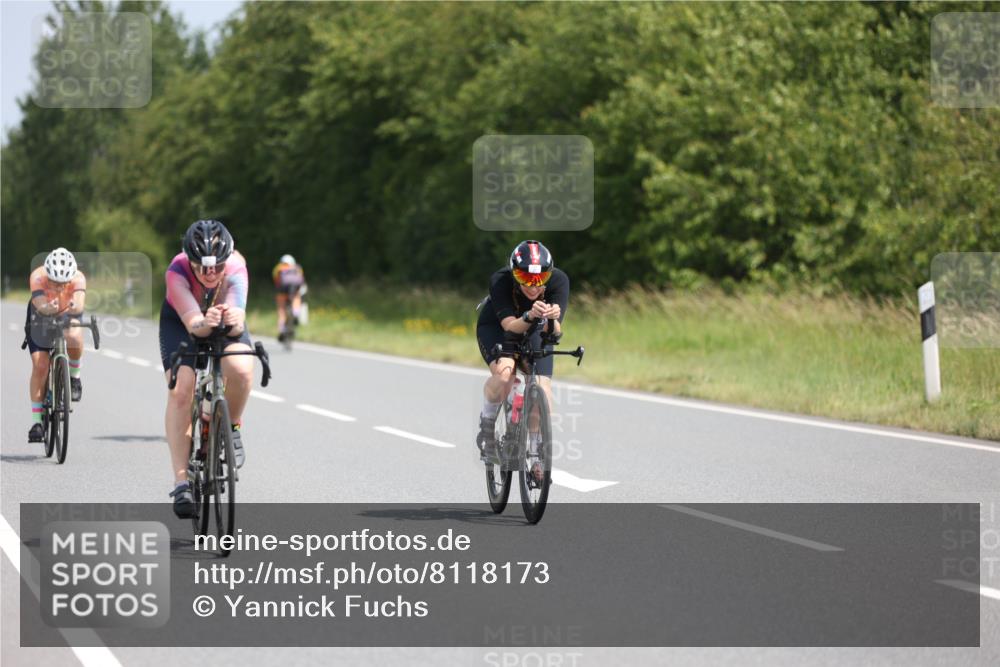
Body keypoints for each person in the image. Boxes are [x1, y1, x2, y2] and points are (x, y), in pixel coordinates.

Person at [159, 220, 254, 518]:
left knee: (240, 369)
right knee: (181, 390)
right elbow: (193, 325)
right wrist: (205, 321)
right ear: (190, 260)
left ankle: (232, 426)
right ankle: (181, 481)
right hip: (183, 323)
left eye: (217, 266)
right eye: (202, 267)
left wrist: (228, 317)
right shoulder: (176, 272)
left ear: (228, 259)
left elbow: (238, 318)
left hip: (223, 320)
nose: (210, 274)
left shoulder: (237, 266)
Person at [475, 240, 569, 475]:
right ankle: (487, 426)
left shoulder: (559, 281)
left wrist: (552, 319)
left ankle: (537, 454)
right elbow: (509, 326)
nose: (533, 286)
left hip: (535, 327)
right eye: (525, 277)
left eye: (539, 279)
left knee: (542, 390)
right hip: (498, 327)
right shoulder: (500, 280)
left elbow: (555, 333)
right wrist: (528, 314)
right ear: (513, 272)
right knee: (506, 374)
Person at [25, 248, 87, 443]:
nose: (59, 287)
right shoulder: (37, 276)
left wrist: (69, 306)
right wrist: (47, 307)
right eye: (55, 282)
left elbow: (79, 305)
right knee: (40, 365)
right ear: (47, 275)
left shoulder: (78, 278)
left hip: (67, 311)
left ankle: (74, 378)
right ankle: (36, 422)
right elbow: (39, 302)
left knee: (75, 337)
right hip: (40, 313)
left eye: (63, 283)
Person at [272, 254, 306, 341]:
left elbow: (276, 281)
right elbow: (301, 280)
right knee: (296, 299)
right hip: (294, 291)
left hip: (282, 292)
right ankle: (295, 313)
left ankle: (282, 330)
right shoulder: (297, 268)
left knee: (282, 311)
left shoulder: (278, 268)